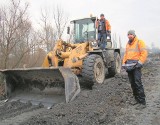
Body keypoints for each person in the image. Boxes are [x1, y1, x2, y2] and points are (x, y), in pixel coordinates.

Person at [122, 30, 148, 110]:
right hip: (129, 67)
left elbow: (144, 53)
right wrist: (123, 63)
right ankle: (136, 99)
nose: (129, 36)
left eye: (131, 34)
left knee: (138, 83)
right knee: (132, 84)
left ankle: (142, 102)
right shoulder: (127, 44)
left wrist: (140, 63)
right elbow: (126, 54)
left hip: (136, 67)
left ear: (134, 35)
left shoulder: (140, 42)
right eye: (128, 34)